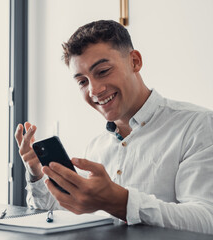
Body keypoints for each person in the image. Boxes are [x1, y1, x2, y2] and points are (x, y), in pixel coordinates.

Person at [14, 20, 213, 234]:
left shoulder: (197, 125)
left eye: (103, 71)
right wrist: (36, 174)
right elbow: (62, 214)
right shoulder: (96, 147)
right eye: (82, 81)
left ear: (135, 62)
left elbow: (207, 220)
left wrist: (119, 201)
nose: (94, 90)